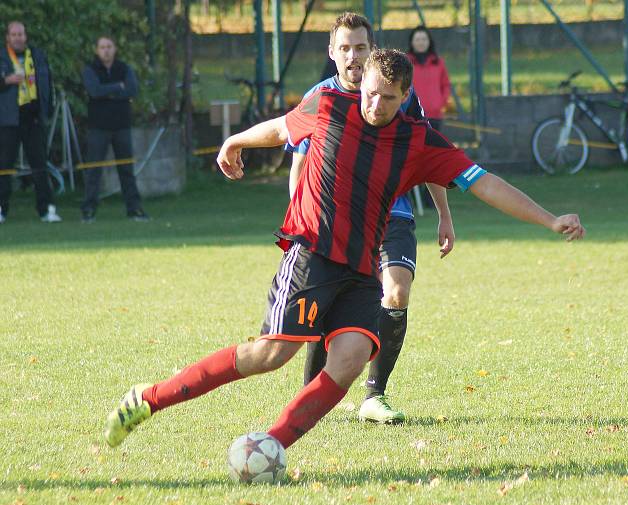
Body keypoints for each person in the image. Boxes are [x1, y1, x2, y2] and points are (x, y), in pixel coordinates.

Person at [103, 48, 585, 455]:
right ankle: (148, 398)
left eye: (388, 98)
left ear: (405, 98)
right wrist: (234, 141)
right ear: (362, 81)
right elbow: (279, 129)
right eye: (371, 92)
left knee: (351, 357)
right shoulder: (330, 103)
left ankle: (269, 447)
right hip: (312, 254)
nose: (375, 104)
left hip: (360, 269)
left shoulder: (417, 140)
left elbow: (485, 183)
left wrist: (549, 218)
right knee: (271, 355)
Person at [288, 12, 455, 425]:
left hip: (393, 213)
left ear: (373, 48)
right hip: (334, 223)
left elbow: (430, 157)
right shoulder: (320, 97)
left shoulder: (400, 94)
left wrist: (444, 216)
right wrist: (300, 226)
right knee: (325, 306)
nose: (353, 56)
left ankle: (374, 395)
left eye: (360, 47)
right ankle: (312, 395)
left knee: (397, 293)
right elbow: (298, 164)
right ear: (332, 53)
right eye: (344, 48)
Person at [80, 36, 149, 223]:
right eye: (102, 47)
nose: (106, 50)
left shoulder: (124, 68)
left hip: (121, 127)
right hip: (98, 128)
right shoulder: (90, 69)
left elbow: (132, 90)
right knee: (93, 170)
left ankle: (134, 209)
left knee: (126, 169)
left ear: (115, 48)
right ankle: (88, 210)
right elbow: (94, 91)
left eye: (109, 46)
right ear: (97, 50)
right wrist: (117, 87)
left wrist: (107, 92)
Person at [0, 21, 60, 223]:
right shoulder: (2, 56)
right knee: (4, 166)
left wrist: (48, 109)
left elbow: (48, 82)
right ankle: (1, 209)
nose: (18, 37)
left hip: (33, 118)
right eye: (14, 34)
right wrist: (5, 81)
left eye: (21, 34)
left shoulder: (37, 55)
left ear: (26, 36)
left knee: (40, 164)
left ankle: (47, 210)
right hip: (8, 119)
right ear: (7, 37)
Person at [407, 25, 450, 132]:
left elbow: (445, 85)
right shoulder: (405, 62)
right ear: (412, 42)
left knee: (434, 148)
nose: (421, 42)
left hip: (435, 116)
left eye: (424, 39)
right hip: (412, 116)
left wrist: (440, 103)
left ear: (429, 41)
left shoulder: (438, 62)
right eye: (417, 39)